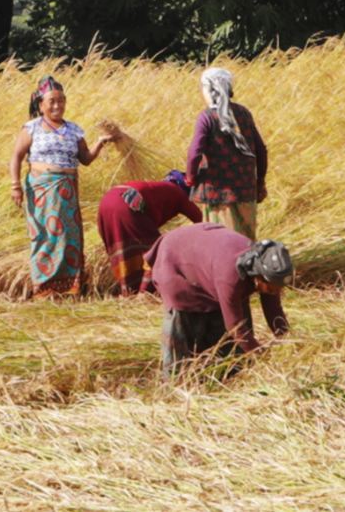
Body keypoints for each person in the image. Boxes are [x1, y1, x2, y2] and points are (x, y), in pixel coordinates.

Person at [9, 76, 115, 298]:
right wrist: (15, 185)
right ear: (41, 105)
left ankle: (69, 288)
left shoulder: (74, 130)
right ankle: (44, 287)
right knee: (45, 235)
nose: (57, 106)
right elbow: (17, 157)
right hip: (42, 190)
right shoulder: (32, 128)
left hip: (67, 192)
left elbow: (85, 158)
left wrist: (101, 142)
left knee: (69, 237)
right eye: (52, 101)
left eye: (61, 101)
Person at [144, 222, 293, 377]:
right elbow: (235, 327)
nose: (275, 291)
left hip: (209, 260)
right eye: (272, 288)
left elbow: (273, 311)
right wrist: (263, 356)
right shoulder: (232, 278)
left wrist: (288, 345)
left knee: (233, 352)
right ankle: (174, 386)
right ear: (258, 276)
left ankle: (227, 374)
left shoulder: (269, 271)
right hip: (176, 260)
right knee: (185, 338)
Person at [185, 67, 268, 240]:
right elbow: (261, 149)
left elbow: (195, 152)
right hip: (246, 189)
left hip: (218, 194)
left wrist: (190, 178)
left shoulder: (207, 117)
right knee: (247, 240)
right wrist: (260, 182)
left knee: (222, 242)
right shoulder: (243, 113)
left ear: (209, 89)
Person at [96, 170, 203, 295]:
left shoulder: (158, 189)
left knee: (124, 252)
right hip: (128, 204)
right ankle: (146, 293)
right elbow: (201, 220)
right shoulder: (179, 193)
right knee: (155, 253)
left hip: (107, 202)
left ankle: (130, 292)